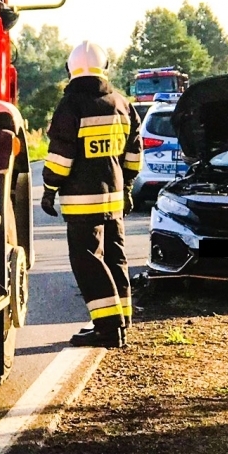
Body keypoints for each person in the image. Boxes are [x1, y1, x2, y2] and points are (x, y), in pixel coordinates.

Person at [40, 41, 144, 348]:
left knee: (87, 260)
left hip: (82, 202)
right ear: (106, 67)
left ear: (70, 70)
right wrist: (126, 187)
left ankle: (107, 329)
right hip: (114, 199)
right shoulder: (123, 104)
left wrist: (49, 189)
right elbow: (134, 155)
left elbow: (61, 156)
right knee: (115, 258)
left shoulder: (71, 106)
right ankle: (121, 322)